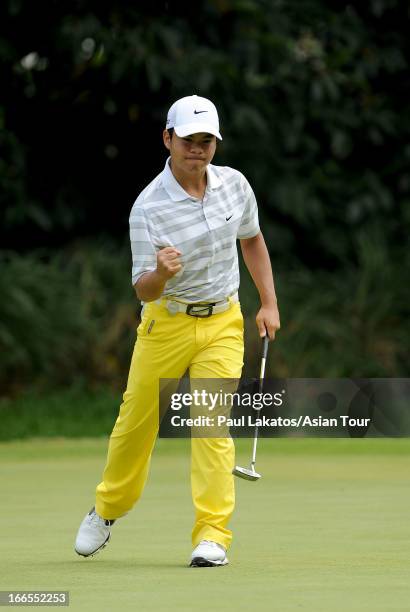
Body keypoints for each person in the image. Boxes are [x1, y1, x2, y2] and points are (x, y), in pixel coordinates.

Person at [74, 94, 280, 567]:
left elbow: (251, 239)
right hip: (165, 324)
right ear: (168, 139)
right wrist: (161, 275)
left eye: (206, 140)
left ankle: (213, 535)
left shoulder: (235, 186)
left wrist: (268, 302)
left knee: (211, 426)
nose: (197, 149)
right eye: (188, 140)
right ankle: (107, 509)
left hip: (223, 320)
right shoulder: (148, 207)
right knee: (136, 424)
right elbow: (143, 290)